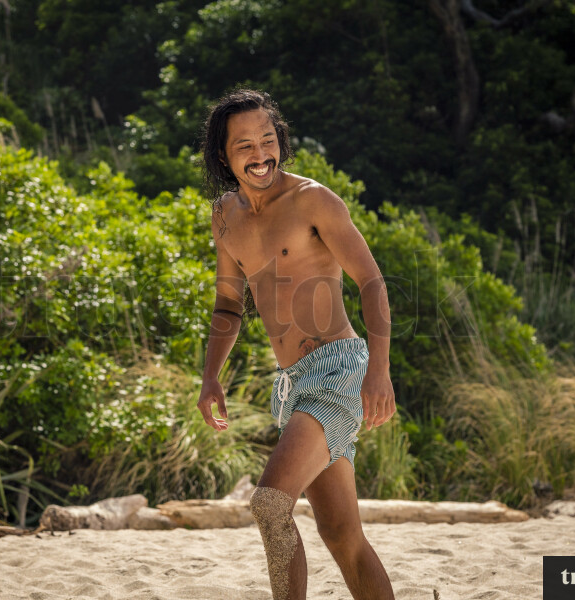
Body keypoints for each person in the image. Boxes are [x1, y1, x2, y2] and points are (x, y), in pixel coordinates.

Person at [196, 87, 397, 600]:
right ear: (224, 155)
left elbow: (371, 283)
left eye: (267, 139)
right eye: (245, 146)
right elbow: (227, 307)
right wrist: (210, 376)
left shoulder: (313, 200)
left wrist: (380, 370)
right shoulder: (225, 217)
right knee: (341, 534)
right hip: (291, 385)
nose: (260, 154)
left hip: (339, 371)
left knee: (269, 503)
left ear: (280, 140)